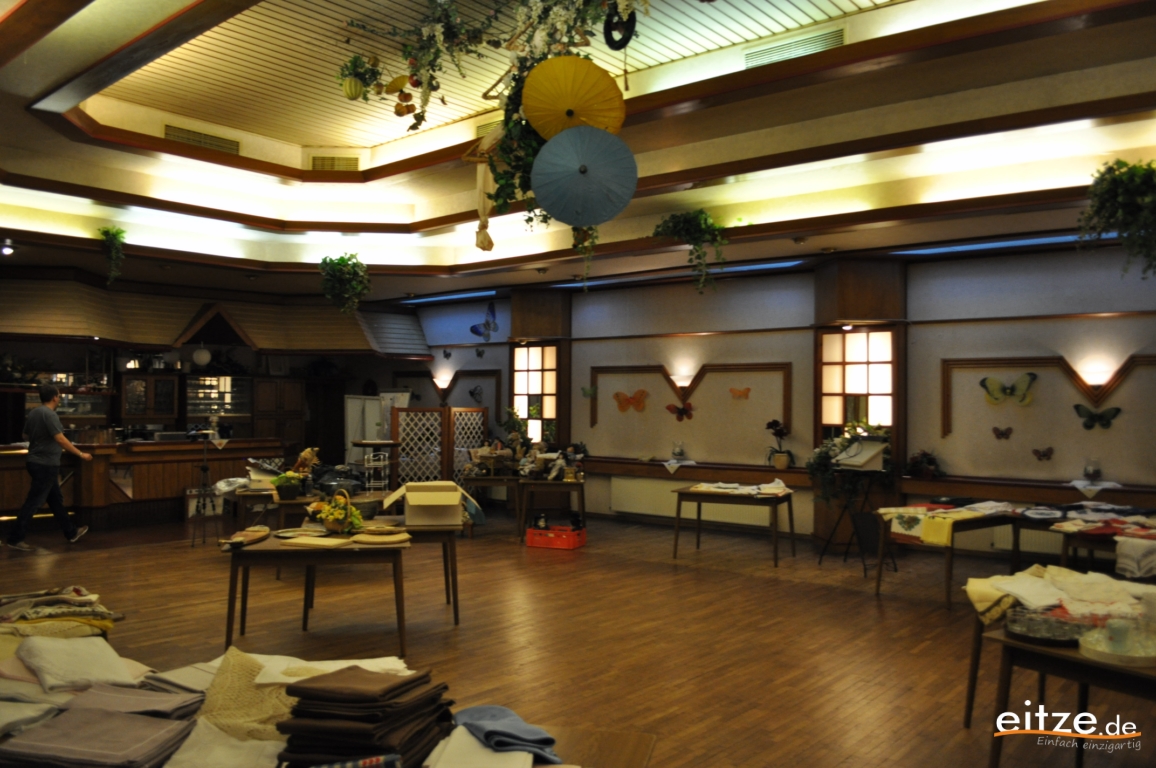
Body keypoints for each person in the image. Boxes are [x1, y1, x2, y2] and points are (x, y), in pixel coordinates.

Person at [5, 384, 91, 551]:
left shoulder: (34, 413)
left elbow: (25, 435)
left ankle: (71, 532)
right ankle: (15, 538)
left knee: (55, 500)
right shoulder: (50, 415)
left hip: (35, 461)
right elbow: (60, 439)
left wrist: (40, 439)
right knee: (33, 502)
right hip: (46, 464)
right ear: (54, 397)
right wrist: (81, 454)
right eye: (58, 396)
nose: (59, 398)